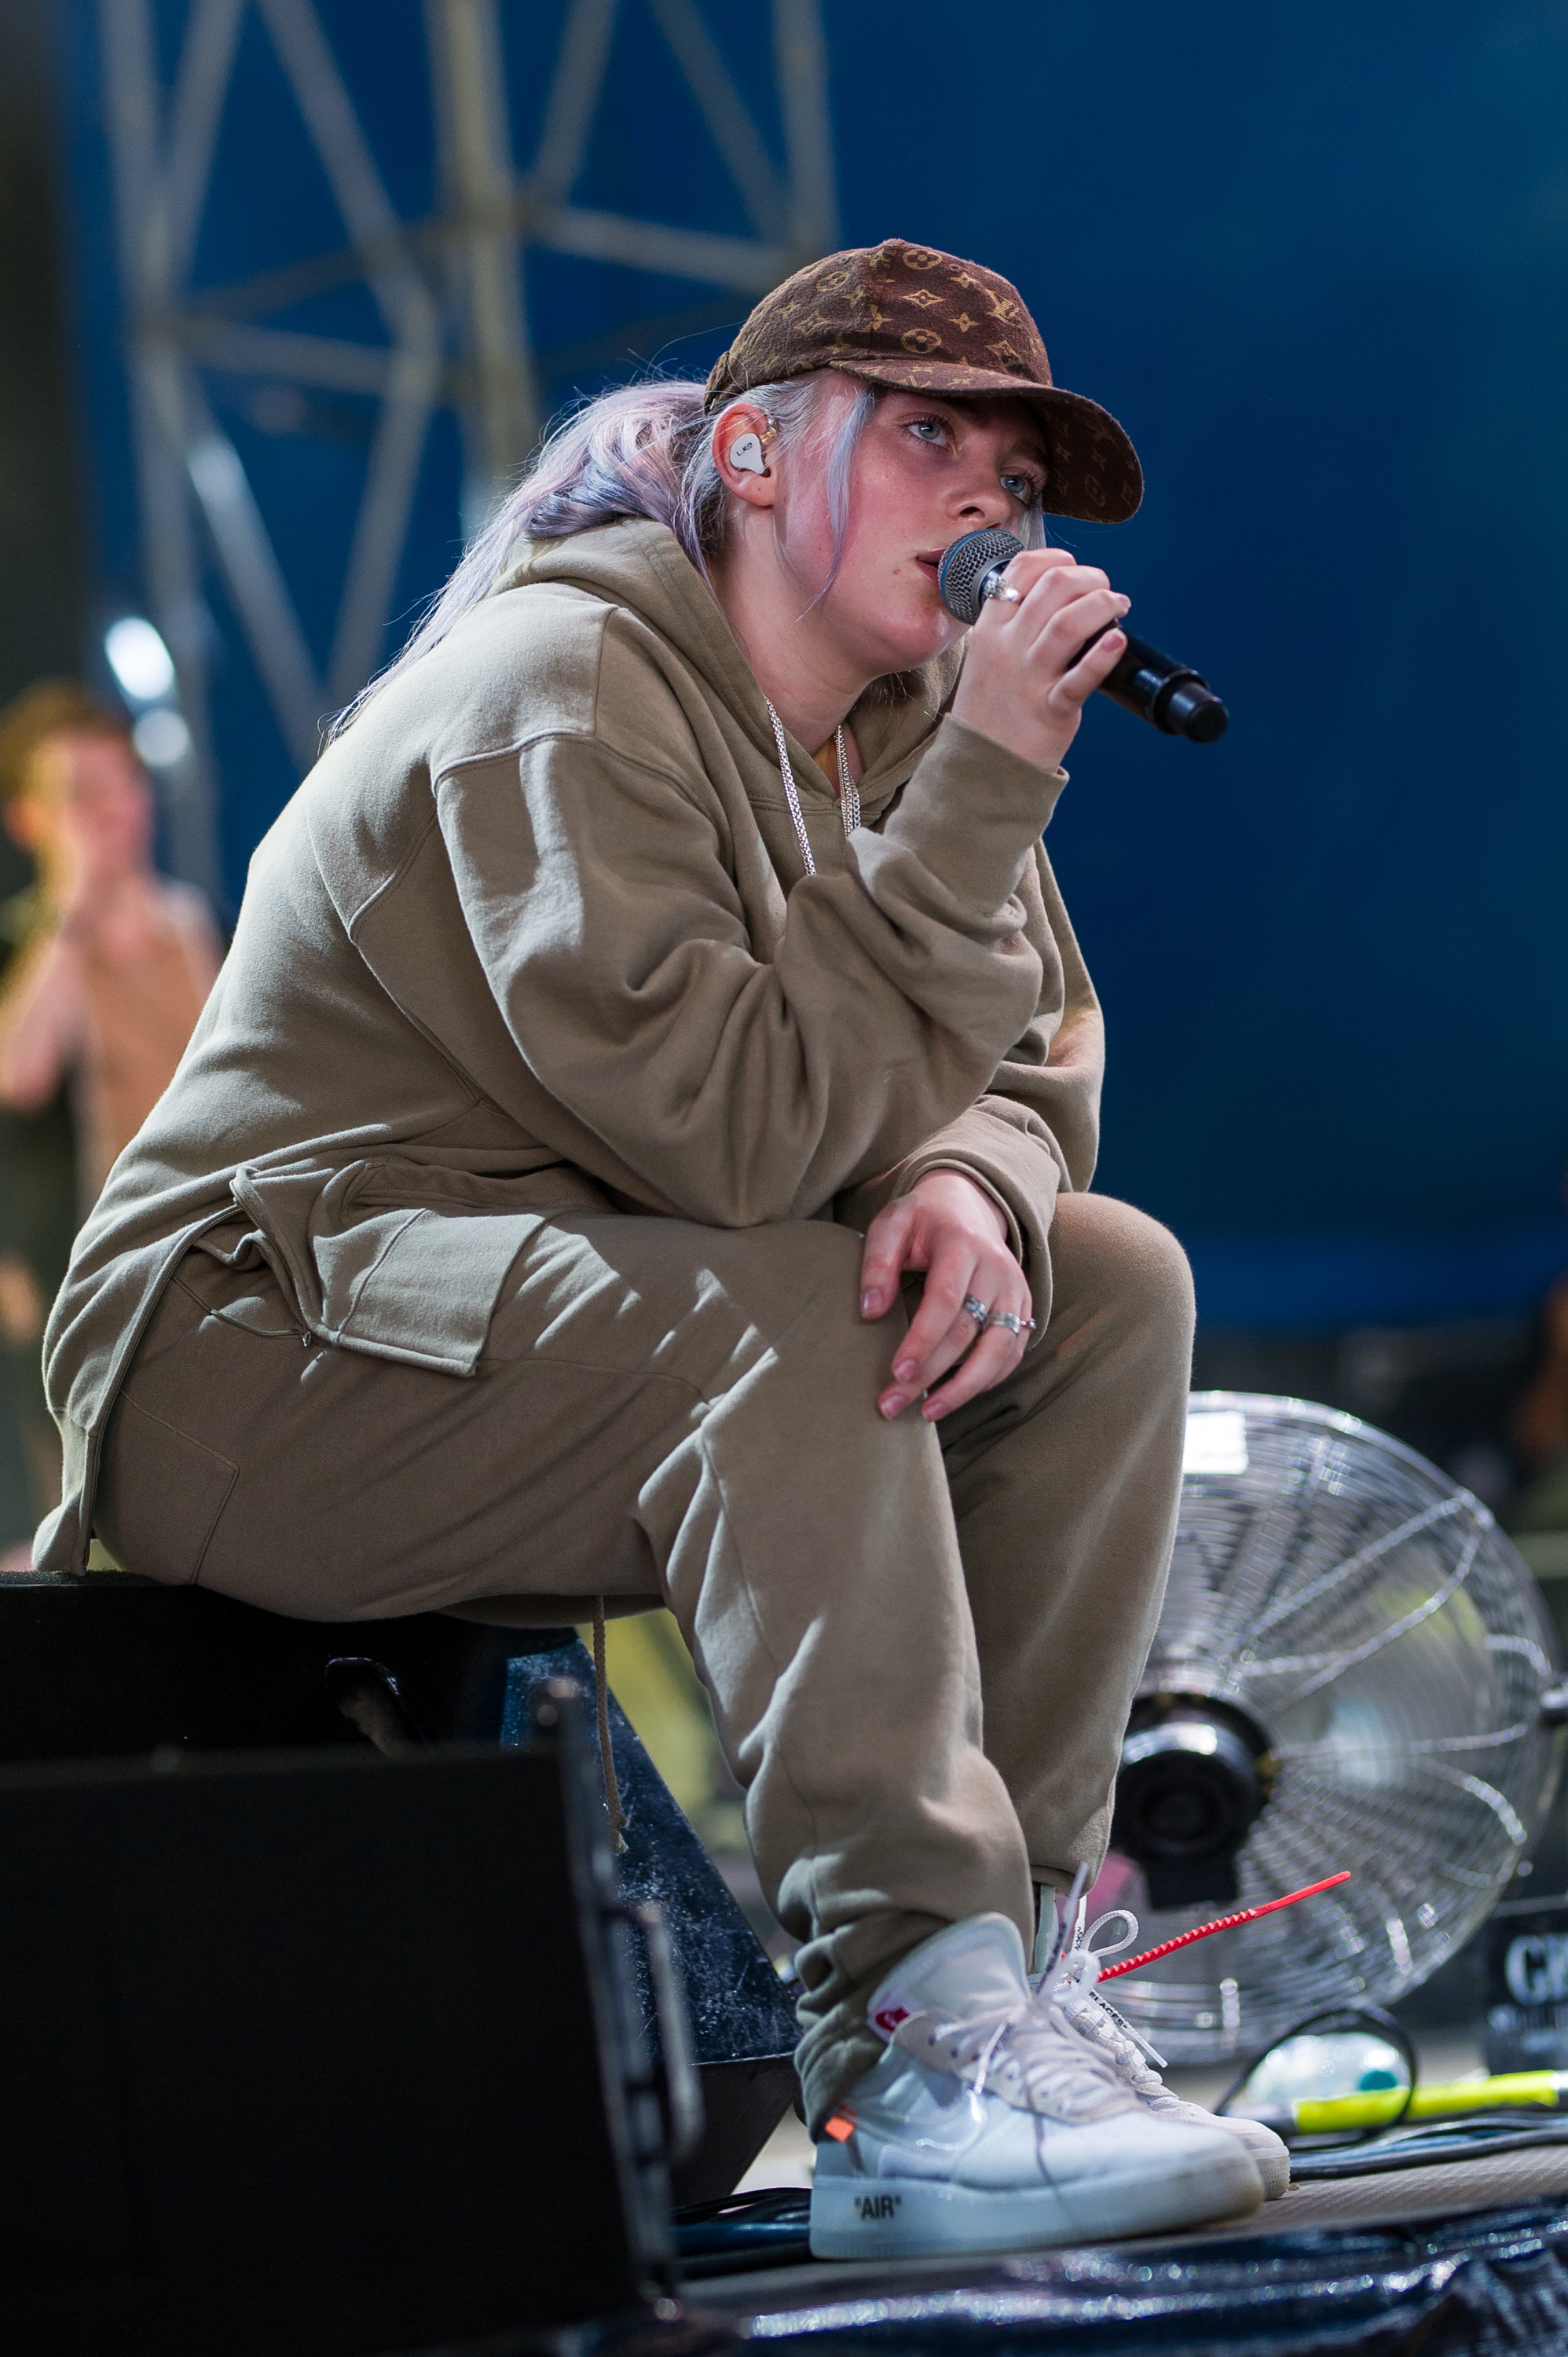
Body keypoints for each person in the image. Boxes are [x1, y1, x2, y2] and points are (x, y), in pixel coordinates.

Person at [38, 240, 1286, 2255]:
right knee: (796, 1308)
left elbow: (1039, 1043)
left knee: (1101, 1277)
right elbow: (737, 1139)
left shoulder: (906, 731)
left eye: (1020, 476)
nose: (991, 503)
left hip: (568, 1301)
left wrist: (971, 1174)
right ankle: (913, 2023)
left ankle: (1007, 1995)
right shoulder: (559, 683)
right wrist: (982, 785)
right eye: (929, 434)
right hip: (259, 1346)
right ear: (757, 457)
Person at [0, 685, 221, 1546]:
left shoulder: (195, 927)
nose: (107, 812)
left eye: (120, 783)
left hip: (205, 1272)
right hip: (80, 1298)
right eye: (77, 792)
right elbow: (18, 1076)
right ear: (29, 819)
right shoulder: (27, 944)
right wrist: (70, 909)